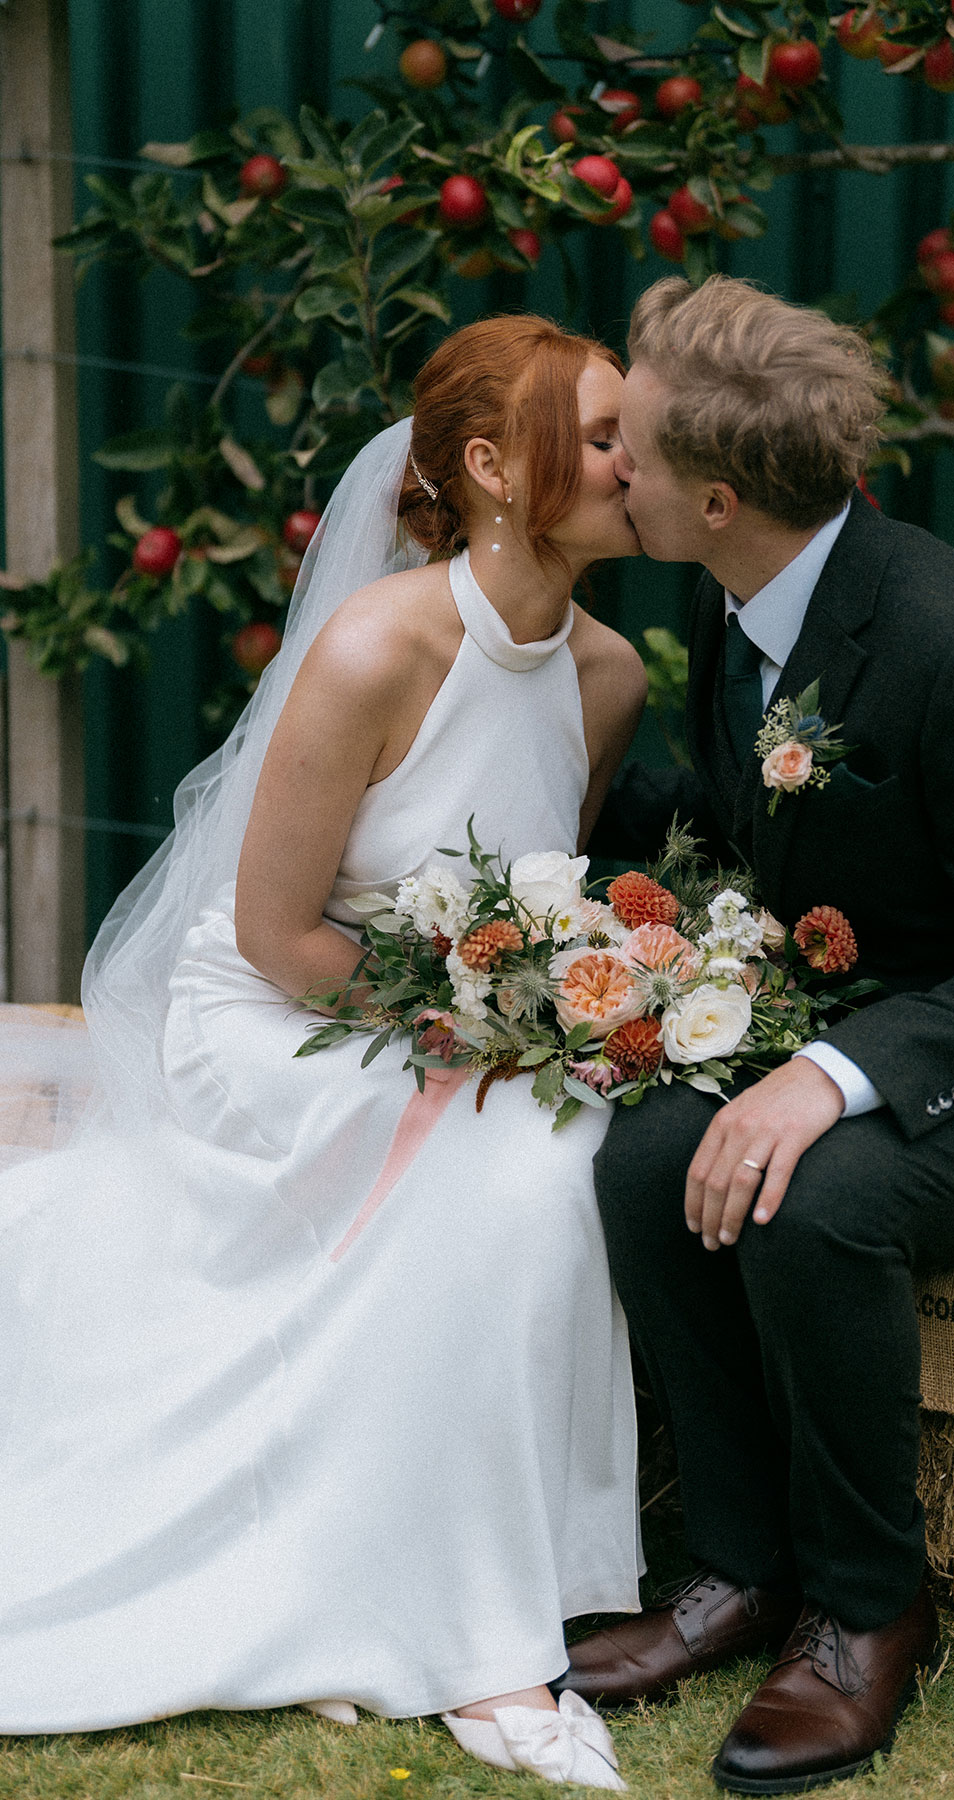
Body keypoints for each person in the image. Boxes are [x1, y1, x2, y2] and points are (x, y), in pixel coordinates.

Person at [559, 275, 954, 1794]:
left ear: (716, 498)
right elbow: (744, 831)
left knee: (813, 1205)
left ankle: (866, 1607)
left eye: (632, 452)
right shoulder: (737, 602)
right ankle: (739, 1566)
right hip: (880, 1022)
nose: (614, 472)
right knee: (650, 1163)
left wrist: (828, 1078)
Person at [0, 314, 649, 1788]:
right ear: (492, 468)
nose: (634, 462)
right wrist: (473, 1032)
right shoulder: (374, 648)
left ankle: (476, 1576)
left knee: (551, 1152)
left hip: (452, 1023)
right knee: (520, 1165)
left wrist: (543, 1015)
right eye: (600, 436)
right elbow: (279, 932)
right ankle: (489, 1645)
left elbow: (529, 904)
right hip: (280, 1017)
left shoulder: (610, 674)